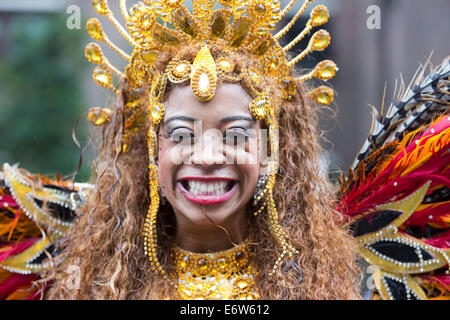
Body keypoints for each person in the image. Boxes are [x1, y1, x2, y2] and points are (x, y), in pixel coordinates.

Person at [0, 0, 448, 300]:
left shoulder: (348, 279)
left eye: (235, 132)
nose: (209, 155)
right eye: (181, 133)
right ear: (150, 152)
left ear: (272, 151)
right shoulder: (83, 279)